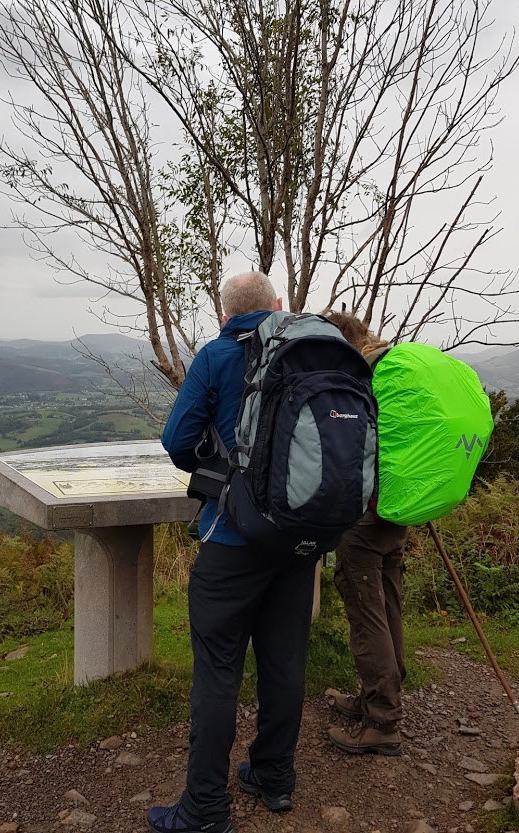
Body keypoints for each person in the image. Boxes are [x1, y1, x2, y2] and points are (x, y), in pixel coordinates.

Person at [148, 272, 319, 833]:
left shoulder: (218, 356)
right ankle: (274, 777)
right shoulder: (310, 353)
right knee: (284, 662)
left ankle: (204, 808)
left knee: (219, 673)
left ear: (224, 315)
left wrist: (218, 464)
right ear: (278, 305)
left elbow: (177, 440)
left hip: (232, 538)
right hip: (298, 540)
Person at [322, 310, 409, 757]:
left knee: (365, 609)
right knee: (387, 603)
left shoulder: (360, 377)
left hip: (368, 514)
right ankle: (378, 695)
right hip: (397, 508)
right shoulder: (391, 368)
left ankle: (382, 719)